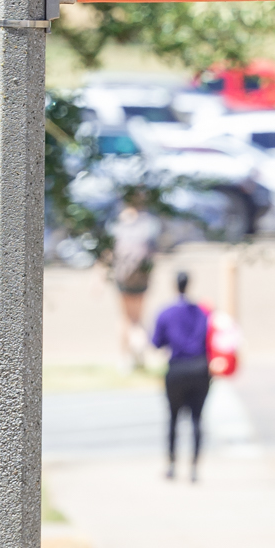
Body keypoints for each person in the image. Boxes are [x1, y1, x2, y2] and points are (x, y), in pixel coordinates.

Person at [151, 270, 211, 482]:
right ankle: (194, 468)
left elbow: (156, 343)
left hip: (176, 369)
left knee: (173, 418)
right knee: (196, 418)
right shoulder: (203, 313)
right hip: (200, 368)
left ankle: (171, 465)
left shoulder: (166, 313)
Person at [110, 194, 161, 369]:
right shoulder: (148, 223)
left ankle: (125, 358)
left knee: (125, 317)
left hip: (122, 276)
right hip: (142, 277)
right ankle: (140, 350)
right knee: (138, 318)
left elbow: (108, 251)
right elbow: (155, 251)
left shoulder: (117, 223)